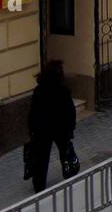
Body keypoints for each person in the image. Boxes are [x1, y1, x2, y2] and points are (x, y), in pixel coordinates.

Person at [27, 60, 78, 193]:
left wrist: (32, 130)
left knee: (41, 158)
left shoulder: (39, 91)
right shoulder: (63, 91)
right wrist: (70, 129)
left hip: (42, 130)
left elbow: (33, 113)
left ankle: (39, 185)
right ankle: (69, 175)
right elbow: (70, 111)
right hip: (60, 129)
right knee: (65, 152)